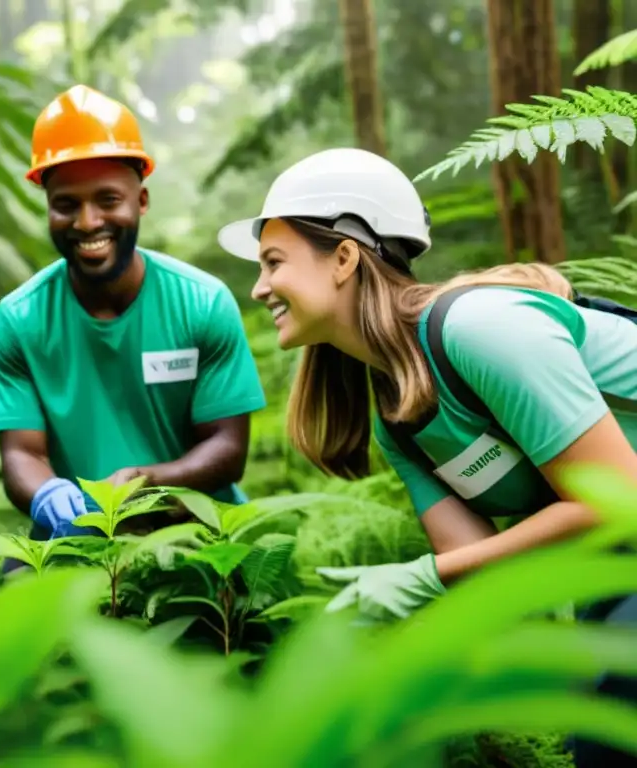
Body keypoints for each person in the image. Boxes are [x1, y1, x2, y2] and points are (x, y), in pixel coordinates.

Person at [217, 146, 637, 767]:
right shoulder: (402, 418)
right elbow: (478, 572)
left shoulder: (483, 329)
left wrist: (425, 579)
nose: (259, 288)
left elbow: (617, 496)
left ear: (343, 257)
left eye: (273, 262)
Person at [0, 84, 267, 541]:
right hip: (78, 535)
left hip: (198, 532)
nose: (87, 222)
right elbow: (22, 453)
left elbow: (227, 446)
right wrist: (49, 497)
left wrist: (147, 482)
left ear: (141, 200)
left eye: (108, 200)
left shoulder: (202, 303)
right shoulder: (20, 319)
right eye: (65, 205)